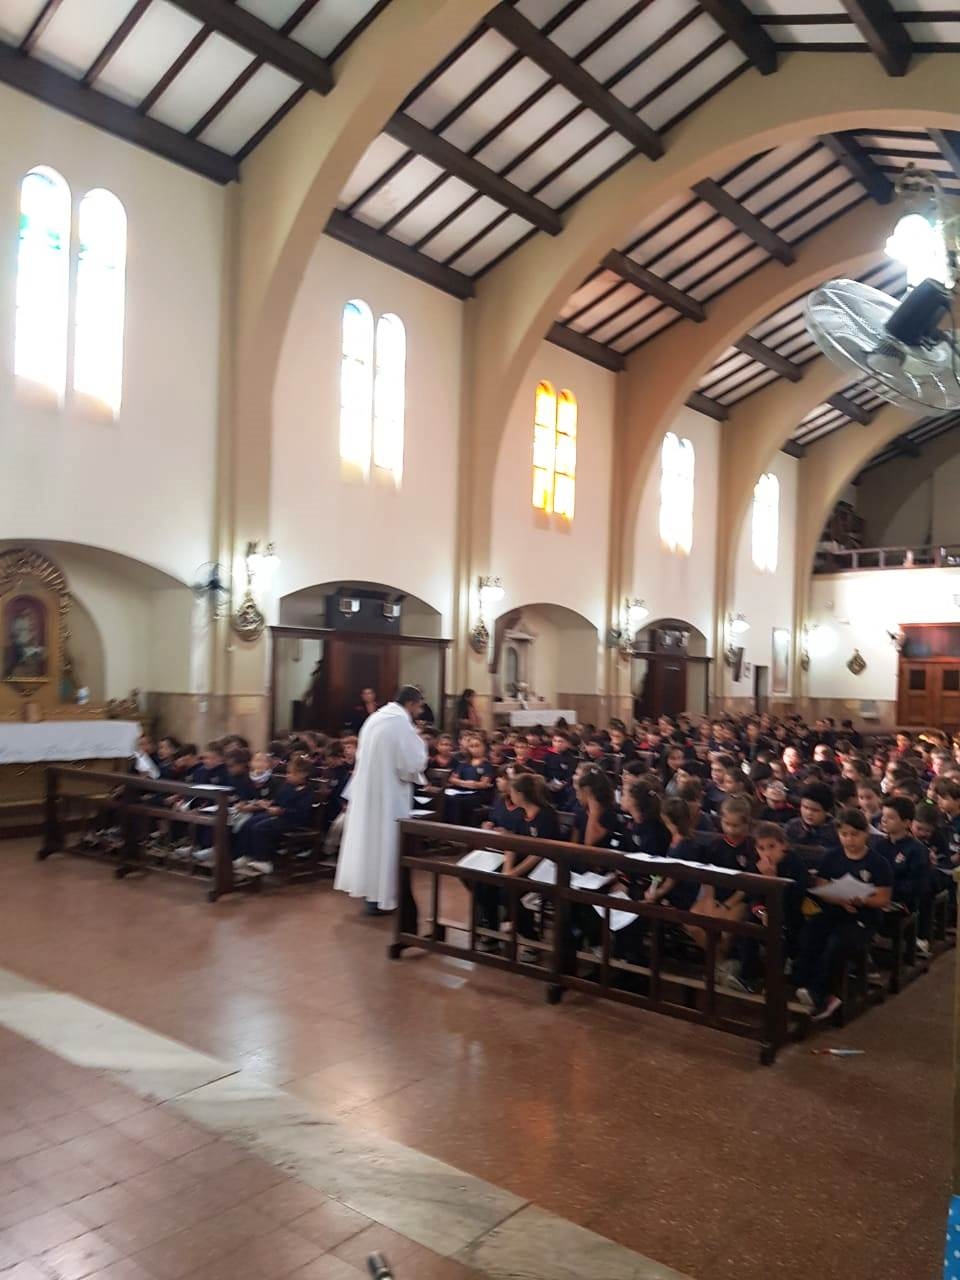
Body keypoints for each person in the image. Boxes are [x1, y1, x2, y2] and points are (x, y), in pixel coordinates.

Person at [335, 686, 428, 914]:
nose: (419, 711)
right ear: (411, 703)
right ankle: (384, 897)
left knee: (370, 842)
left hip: (367, 793)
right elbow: (410, 764)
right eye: (419, 706)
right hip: (389, 795)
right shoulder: (400, 723)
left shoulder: (374, 719)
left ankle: (371, 896)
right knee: (387, 842)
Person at [795, 807, 893, 1022]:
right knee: (810, 932)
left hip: (863, 917)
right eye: (844, 834)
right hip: (835, 909)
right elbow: (821, 886)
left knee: (837, 942)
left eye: (854, 834)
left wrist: (862, 900)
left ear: (865, 834)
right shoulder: (832, 856)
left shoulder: (877, 863)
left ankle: (826, 994)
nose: (849, 840)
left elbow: (883, 898)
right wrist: (839, 899)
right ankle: (803, 984)